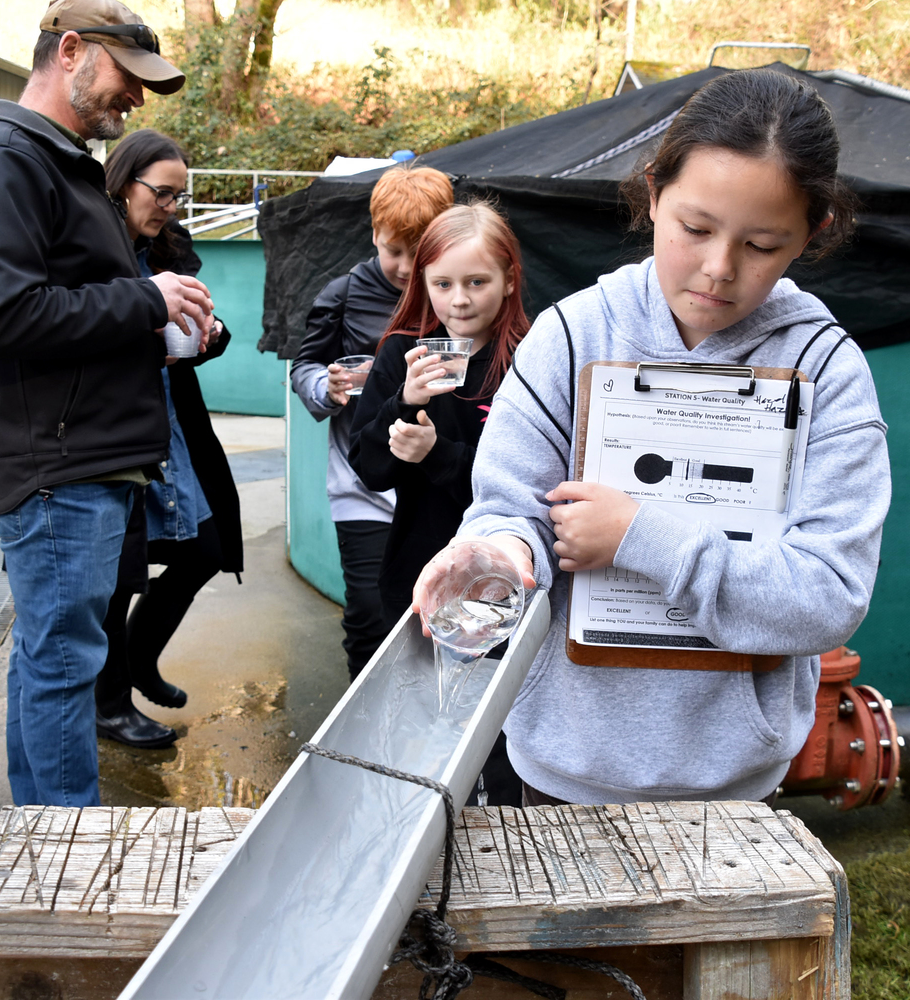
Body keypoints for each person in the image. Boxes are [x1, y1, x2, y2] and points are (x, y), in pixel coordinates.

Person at [413, 69, 891, 808]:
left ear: (812, 234)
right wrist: (500, 550)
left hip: (734, 789)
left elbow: (828, 597)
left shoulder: (826, 369)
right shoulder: (571, 337)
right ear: (653, 191)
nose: (719, 268)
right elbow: (513, 510)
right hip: (560, 770)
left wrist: (641, 535)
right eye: (695, 229)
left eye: (763, 243)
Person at [0, 0, 214, 806]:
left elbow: (66, 307)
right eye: (128, 78)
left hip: (80, 457)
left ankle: (42, 846)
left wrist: (149, 322)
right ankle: (66, 861)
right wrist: (146, 302)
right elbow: (4, 315)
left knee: (53, 663)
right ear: (70, 52)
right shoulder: (0, 166)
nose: (135, 100)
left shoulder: (58, 164)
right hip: (57, 466)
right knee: (62, 667)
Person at [92, 129, 244, 748]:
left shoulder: (163, 247)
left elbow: (188, 328)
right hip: (113, 431)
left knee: (204, 548)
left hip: (169, 422)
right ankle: (110, 703)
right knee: (116, 576)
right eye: (162, 193)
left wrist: (210, 333)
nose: (170, 207)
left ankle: (135, 660)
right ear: (123, 182)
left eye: (178, 197)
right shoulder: (93, 248)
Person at [291, 165, 454, 680]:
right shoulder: (342, 294)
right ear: (374, 235)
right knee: (368, 615)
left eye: (419, 251)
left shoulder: (455, 292)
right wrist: (328, 386)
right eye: (393, 251)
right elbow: (304, 366)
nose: (406, 268)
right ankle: (362, 734)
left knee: (437, 614)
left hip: (434, 485)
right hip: (362, 485)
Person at [349, 202, 530, 632]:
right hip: (416, 571)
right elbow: (369, 470)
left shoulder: (531, 357)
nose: (460, 299)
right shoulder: (402, 353)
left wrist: (435, 453)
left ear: (509, 281)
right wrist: (405, 402)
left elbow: (528, 485)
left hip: (503, 576)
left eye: (477, 282)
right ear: (424, 283)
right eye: (443, 283)